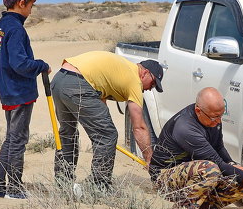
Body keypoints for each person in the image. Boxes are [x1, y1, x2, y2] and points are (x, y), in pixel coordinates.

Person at [149, 87, 243, 209]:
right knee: (210, 171)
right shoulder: (185, 128)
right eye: (215, 117)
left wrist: (232, 164)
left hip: (192, 173)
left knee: (241, 180)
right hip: (164, 178)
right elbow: (218, 164)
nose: (218, 121)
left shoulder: (212, 117)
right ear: (198, 111)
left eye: (221, 116)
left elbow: (218, 147)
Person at [51, 51, 163, 191]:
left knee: (68, 133)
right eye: (152, 84)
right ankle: (99, 187)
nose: (149, 89)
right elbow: (139, 127)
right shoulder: (134, 80)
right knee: (107, 136)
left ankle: (63, 182)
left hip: (59, 80)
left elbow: (100, 92)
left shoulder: (122, 68)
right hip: (78, 84)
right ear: (145, 73)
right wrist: (149, 159)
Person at [0, 0, 49, 199]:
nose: (32, 11)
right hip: (18, 92)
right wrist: (41, 65)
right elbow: (19, 63)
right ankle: (14, 187)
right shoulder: (14, 28)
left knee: (12, 137)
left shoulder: (2, 25)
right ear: (21, 3)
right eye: (31, 5)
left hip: (9, 90)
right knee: (18, 140)